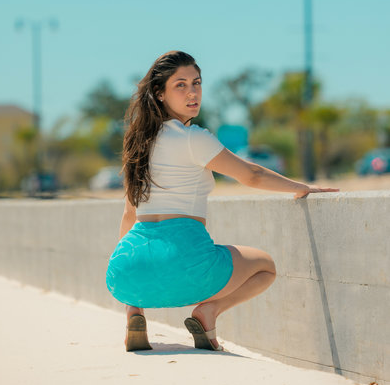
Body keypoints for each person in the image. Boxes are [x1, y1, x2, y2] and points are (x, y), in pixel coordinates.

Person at [105, 50, 339, 352]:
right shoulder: (193, 138)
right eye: (180, 85)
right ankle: (208, 312)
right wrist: (301, 187)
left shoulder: (137, 142)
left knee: (143, 268)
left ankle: (133, 310)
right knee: (265, 267)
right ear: (160, 94)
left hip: (124, 270)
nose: (192, 92)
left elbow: (129, 214)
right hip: (186, 261)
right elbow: (251, 174)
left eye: (197, 83)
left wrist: (130, 270)